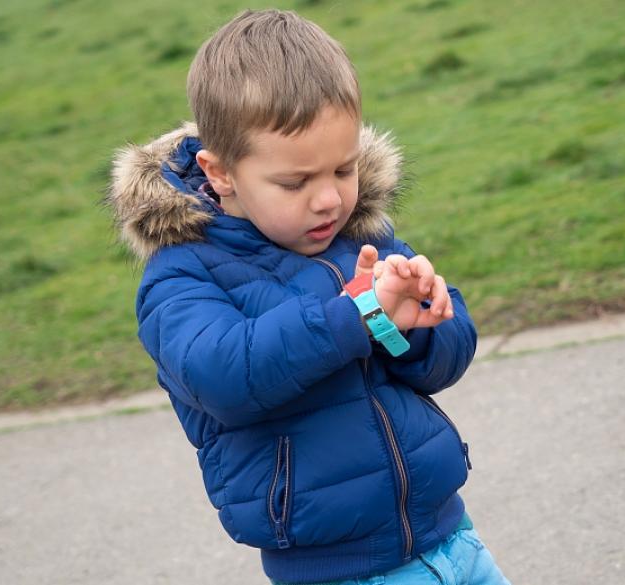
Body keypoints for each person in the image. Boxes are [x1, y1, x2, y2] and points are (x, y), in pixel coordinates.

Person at [106, 9, 511, 585]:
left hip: (452, 537)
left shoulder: (360, 237)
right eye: (295, 183)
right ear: (219, 173)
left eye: (343, 169)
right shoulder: (183, 276)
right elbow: (226, 376)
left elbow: (445, 359)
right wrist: (355, 316)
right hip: (338, 570)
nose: (328, 200)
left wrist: (416, 322)